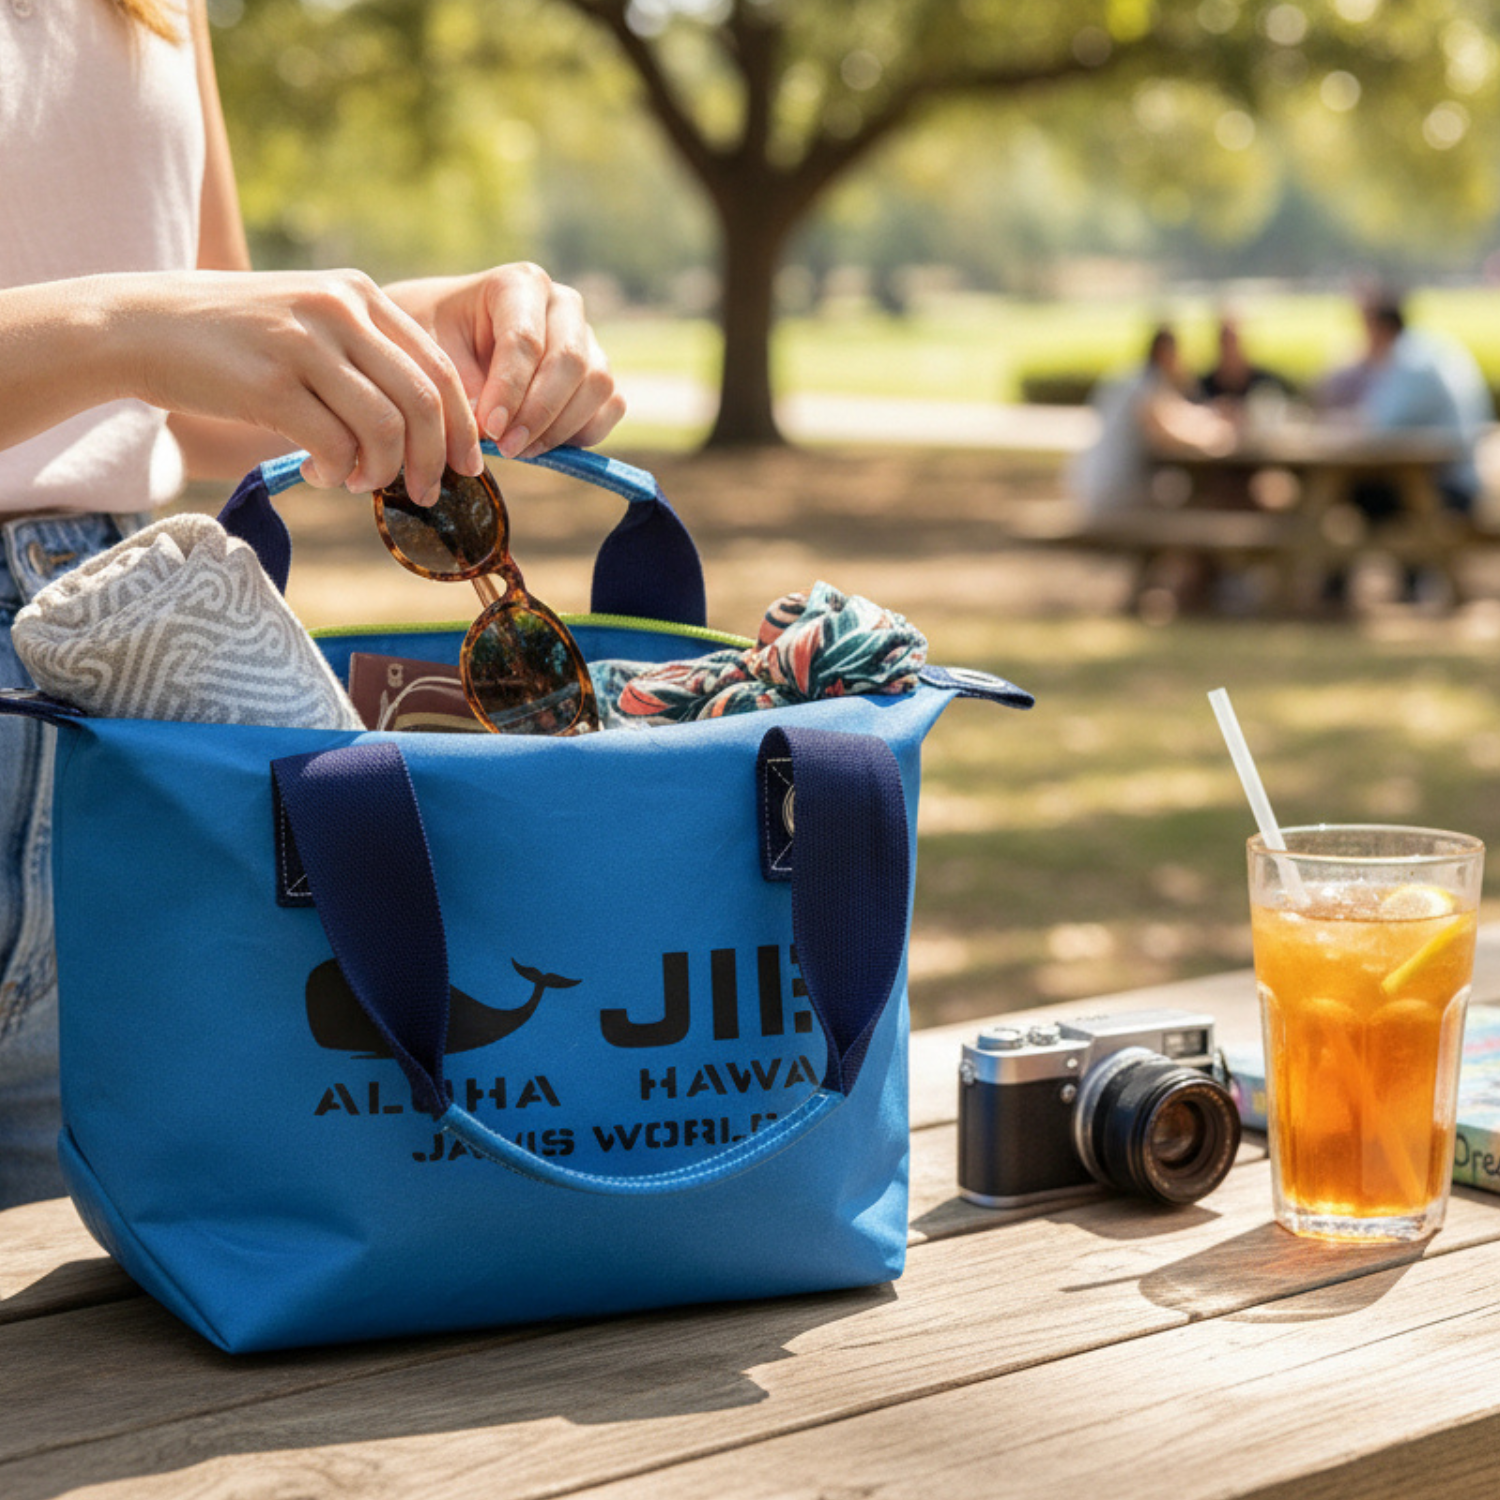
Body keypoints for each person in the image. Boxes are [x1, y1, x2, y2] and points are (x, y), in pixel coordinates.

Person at [0, 0, 624, 1207]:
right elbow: (148, 329)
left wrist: (401, 333)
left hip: (121, 702)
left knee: (114, 1347)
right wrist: (130, 326)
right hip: (114, 717)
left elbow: (193, 367)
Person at [1070, 326, 1233, 519]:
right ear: (1166, 352)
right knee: (1181, 495)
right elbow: (1168, 434)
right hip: (1111, 490)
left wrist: (1209, 415)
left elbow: (1178, 413)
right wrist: (1216, 439)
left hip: (1091, 484)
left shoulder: (1134, 378)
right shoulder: (1144, 386)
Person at [1197, 315, 1293, 407]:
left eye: (1234, 342)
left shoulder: (1266, 383)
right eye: (1226, 342)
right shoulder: (1204, 387)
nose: (1231, 350)